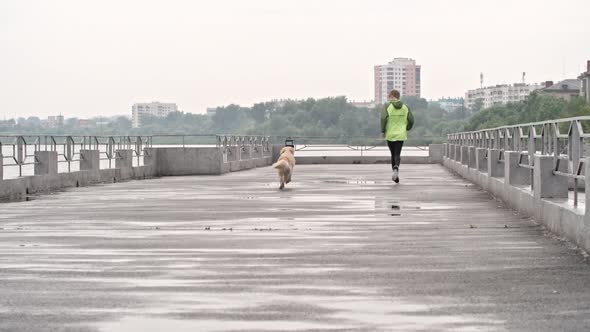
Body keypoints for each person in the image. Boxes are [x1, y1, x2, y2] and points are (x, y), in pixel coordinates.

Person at [380, 89, 414, 183]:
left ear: (392, 96)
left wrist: (383, 130)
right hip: (401, 134)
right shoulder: (405, 107)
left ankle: (395, 172)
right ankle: (396, 168)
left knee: (392, 154)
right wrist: (407, 127)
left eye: (389, 96)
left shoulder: (387, 106)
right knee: (397, 154)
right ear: (399, 97)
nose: (388, 98)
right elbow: (411, 120)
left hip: (390, 134)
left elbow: (383, 118)